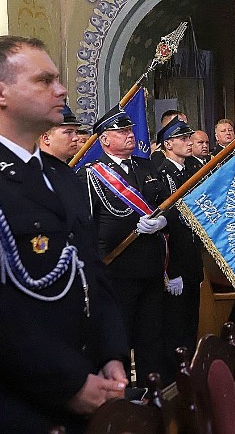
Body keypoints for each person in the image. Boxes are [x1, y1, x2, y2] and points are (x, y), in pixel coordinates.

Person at [0, 35, 129, 433]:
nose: (61, 89)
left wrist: (112, 354)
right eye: (44, 80)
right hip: (10, 406)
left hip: (87, 388)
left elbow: (92, 274)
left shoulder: (59, 177)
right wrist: (68, 382)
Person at [78, 106, 169, 387]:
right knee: (120, 337)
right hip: (117, 270)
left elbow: (170, 203)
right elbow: (88, 226)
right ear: (105, 139)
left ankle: (152, 393)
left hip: (152, 267)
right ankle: (122, 396)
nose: (130, 135)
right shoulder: (91, 175)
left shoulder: (147, 166)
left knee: (152, 338)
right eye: (122, 131)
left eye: (130, 130)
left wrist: (163, 221)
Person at [154, 116, 204, 381]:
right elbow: (167, 227)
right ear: (168, 143)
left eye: (189, 138)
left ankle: (189, 373)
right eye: (184, 139)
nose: (189, 142)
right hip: (175, 263)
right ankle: (174, 379)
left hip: (192, 259)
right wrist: (171, 271)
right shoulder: (162, 173)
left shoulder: (190, 169)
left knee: (190, 324)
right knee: (174, 327)